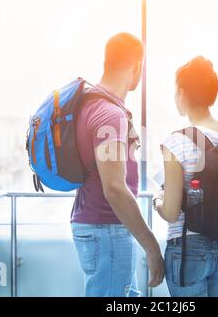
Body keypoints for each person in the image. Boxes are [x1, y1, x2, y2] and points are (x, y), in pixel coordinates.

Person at [71, 32, 164, 297]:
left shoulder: (91, 104)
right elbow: (114, 188)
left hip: (100, 227)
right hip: (107, 230)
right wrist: (151, 246)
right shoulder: (110, 114)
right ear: (137, 68)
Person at [153, 56, 218, 297]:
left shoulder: (175, 142)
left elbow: (170, 212)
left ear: (181, 93)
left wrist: (157, 199)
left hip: (189, 252)